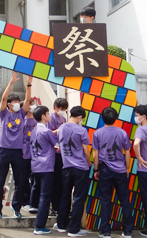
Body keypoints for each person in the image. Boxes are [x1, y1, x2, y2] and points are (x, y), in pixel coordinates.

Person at [0, 72, 32, 219]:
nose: (17, 104)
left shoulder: (21, 114)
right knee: (0, 181)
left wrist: (29, 83)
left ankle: (17, 208)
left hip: (18, 152)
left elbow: (28, 99)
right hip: (4, 151)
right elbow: (3, 98)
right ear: (9, 104)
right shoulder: (4, 114)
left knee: (20, 181)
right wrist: (10, 83)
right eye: (14, 102)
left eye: (18, 102)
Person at [92, 107, 133, 238]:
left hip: (105, 169)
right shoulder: (122, 132)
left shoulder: (97, 133)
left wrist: (96, 169)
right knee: (125, 200)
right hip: (120, 169)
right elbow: (127, 152)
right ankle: (127, 231)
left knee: (105, 200)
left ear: (102, 118)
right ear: (116, 118)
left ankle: (105, 231)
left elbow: (95, 154)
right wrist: (127, 168)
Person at [55, 106, 91, 237]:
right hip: (81, 168)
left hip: (66, 167)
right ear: (80, 117)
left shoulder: (62, 128)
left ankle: (61, 225)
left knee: (65, 196)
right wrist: (89, 162)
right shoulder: (81, 130)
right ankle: (74, 229)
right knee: (78, 198)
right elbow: (86, 151)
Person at [30, 105, 58, 235]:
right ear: (43, 116)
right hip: (46, 167)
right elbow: (57, 143)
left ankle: (39, 225)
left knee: (41, 194)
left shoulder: (34, 130)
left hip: (36, 165)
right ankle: (39, 226)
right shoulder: (46, 131)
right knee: (45, 197)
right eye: (47, 113)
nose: (49, 115)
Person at [47, 97, 68, 215]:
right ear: (55, 107)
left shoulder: (63, 118)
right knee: (55, 181)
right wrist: (60, 129)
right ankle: (54, 206)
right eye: (61, 108)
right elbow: (48, 133)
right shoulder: (50, 118)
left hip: (62, 153)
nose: (63, 111)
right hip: (54, 153)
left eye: (65, 109)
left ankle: (59, 206)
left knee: (61, 181)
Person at [22, 96, 38, 213]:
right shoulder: (22, 119)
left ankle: (34, 202)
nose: (32, 106)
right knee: (24, 178)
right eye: (30, 104)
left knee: (34, 178)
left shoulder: (37, 120)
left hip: (36, 153)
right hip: (24, 153)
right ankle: (25, 201)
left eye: (33, 104)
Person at [133, 104, 147, 237]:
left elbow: (136, 143)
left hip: (144, 169)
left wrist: (139, 157)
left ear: (143, 117)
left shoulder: (142, 130)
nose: (135, 118)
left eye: (136, 116)